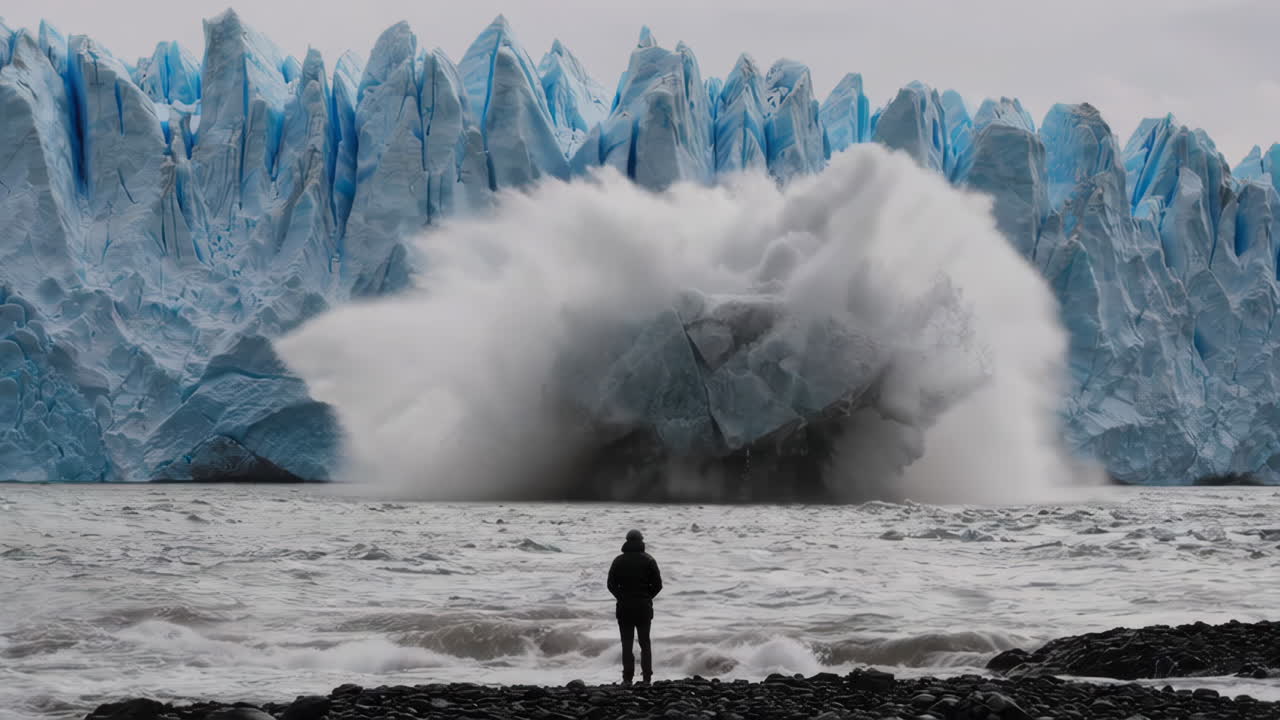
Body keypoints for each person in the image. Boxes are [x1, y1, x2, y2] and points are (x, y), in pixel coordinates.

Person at [607, 528, 663, 686]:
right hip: (644, 608)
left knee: (627, 643)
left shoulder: (618, 560)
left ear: (626, 541)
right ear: (641, 541)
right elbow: (658, 585)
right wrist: (647, 597)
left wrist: (621, 597)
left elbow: (610, 584)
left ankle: (627, 678)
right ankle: (646, 678)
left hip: (624, 608)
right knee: (645, 643)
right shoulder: (649, 560)